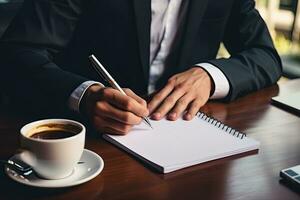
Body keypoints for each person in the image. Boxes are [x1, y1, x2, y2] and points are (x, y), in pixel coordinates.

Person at [0, 0, 282, 134]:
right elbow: (18, 53)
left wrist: (209, 76)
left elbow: (265, 55)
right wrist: (83, 95)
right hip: (82, 140)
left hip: (179, 137)